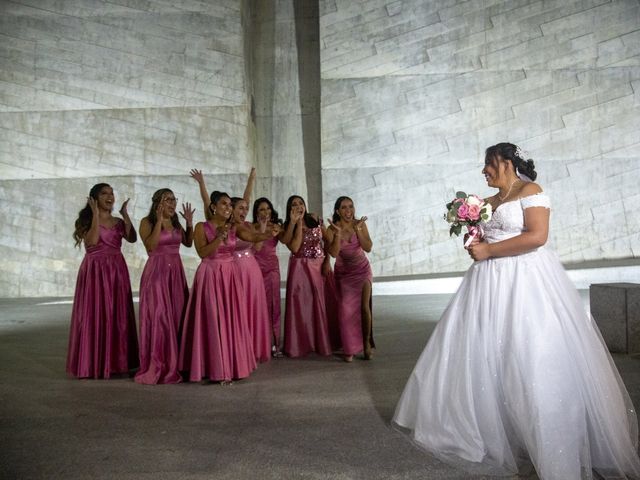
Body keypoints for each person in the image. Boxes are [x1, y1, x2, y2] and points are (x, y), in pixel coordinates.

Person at [392, 143, 640, 479]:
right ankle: (486, 430)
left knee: (531, 356)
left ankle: (554, 445)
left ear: (507, 162)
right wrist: (474, 241)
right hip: (486, 287)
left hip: (526, 283)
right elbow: (483, 239)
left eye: (488, 164)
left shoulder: (531, 191)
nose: (484, 171)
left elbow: (537, 236)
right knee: (486, 356)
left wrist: (489, 250)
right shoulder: (486, 203)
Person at [179, 190, 278, 384]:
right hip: (210, 273)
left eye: (230, 205)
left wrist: (269, 232)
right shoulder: (202, 227)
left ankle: (232, 364)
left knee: (231, 318)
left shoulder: (235, 227)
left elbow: (252, 236)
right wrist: (218, 238)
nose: (228, 208)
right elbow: (203, 253)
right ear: (214, 207)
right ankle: (213, 365)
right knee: (213, 318)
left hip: (230, 275)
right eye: (224, 204)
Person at [67, 183, 139, 379]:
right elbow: (91, 242)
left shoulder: (117, 221)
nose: (110, 197)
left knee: (118, 314)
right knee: (95, 313)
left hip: (116, 269)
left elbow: (132, 238)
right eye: (104, 193)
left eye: (112, 193)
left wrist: (125, 215)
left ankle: (117, 363)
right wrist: (96, 216)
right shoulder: (87, 220)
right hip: (95, 271)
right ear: (94, 198)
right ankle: (93, 363)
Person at [134, 189, 194, 385]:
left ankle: (177, 362)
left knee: (177, 316)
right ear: (157, 203)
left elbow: (187, 242)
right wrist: (159, 220)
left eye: (173, 199)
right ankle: (160, 364)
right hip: (157, 273)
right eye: (168, 199)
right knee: (160, 318)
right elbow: (150, 246)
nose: (172, 203)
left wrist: (189, 223)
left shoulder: (175, 221)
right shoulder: (147, 222)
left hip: (176, 273)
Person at [282, 195, 332, 358]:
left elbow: (328, 240)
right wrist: (295, 223)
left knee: (318, 304)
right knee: (301, 306)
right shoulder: (287, 226)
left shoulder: (315, 219)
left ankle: (320, 342)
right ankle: (299, 344)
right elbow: (295, 247)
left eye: (301, 203)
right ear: (290, 209)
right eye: (294, 205)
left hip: (318, 265)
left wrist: (327, 261)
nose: (298, 206)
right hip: (300, 267)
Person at [325, 196, 374, 362]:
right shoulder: (332, 229)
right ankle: (350, 346)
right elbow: (332, 253)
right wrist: (338, 234)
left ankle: (366, 342)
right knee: (345, 309)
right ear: (338, 211)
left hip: (362, 270)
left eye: (351, 207)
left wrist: (359, 230)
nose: (349, 211)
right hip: (344, 274)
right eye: (344, 208)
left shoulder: (359, 224)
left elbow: (368, 247)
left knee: (364, 307)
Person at [252, 197, 285, 356]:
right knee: (258, 306)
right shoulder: (251, 228)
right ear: (256, 213)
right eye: (261, 210)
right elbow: (256, 248)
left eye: (268, 209)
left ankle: (275, 344)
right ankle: (259, 342)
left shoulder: (276, 227)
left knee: (274, 306)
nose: (265, 212)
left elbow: (288, 241)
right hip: (256, 268)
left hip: (272, 269)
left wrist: (286, 226)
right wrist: (262, 228)